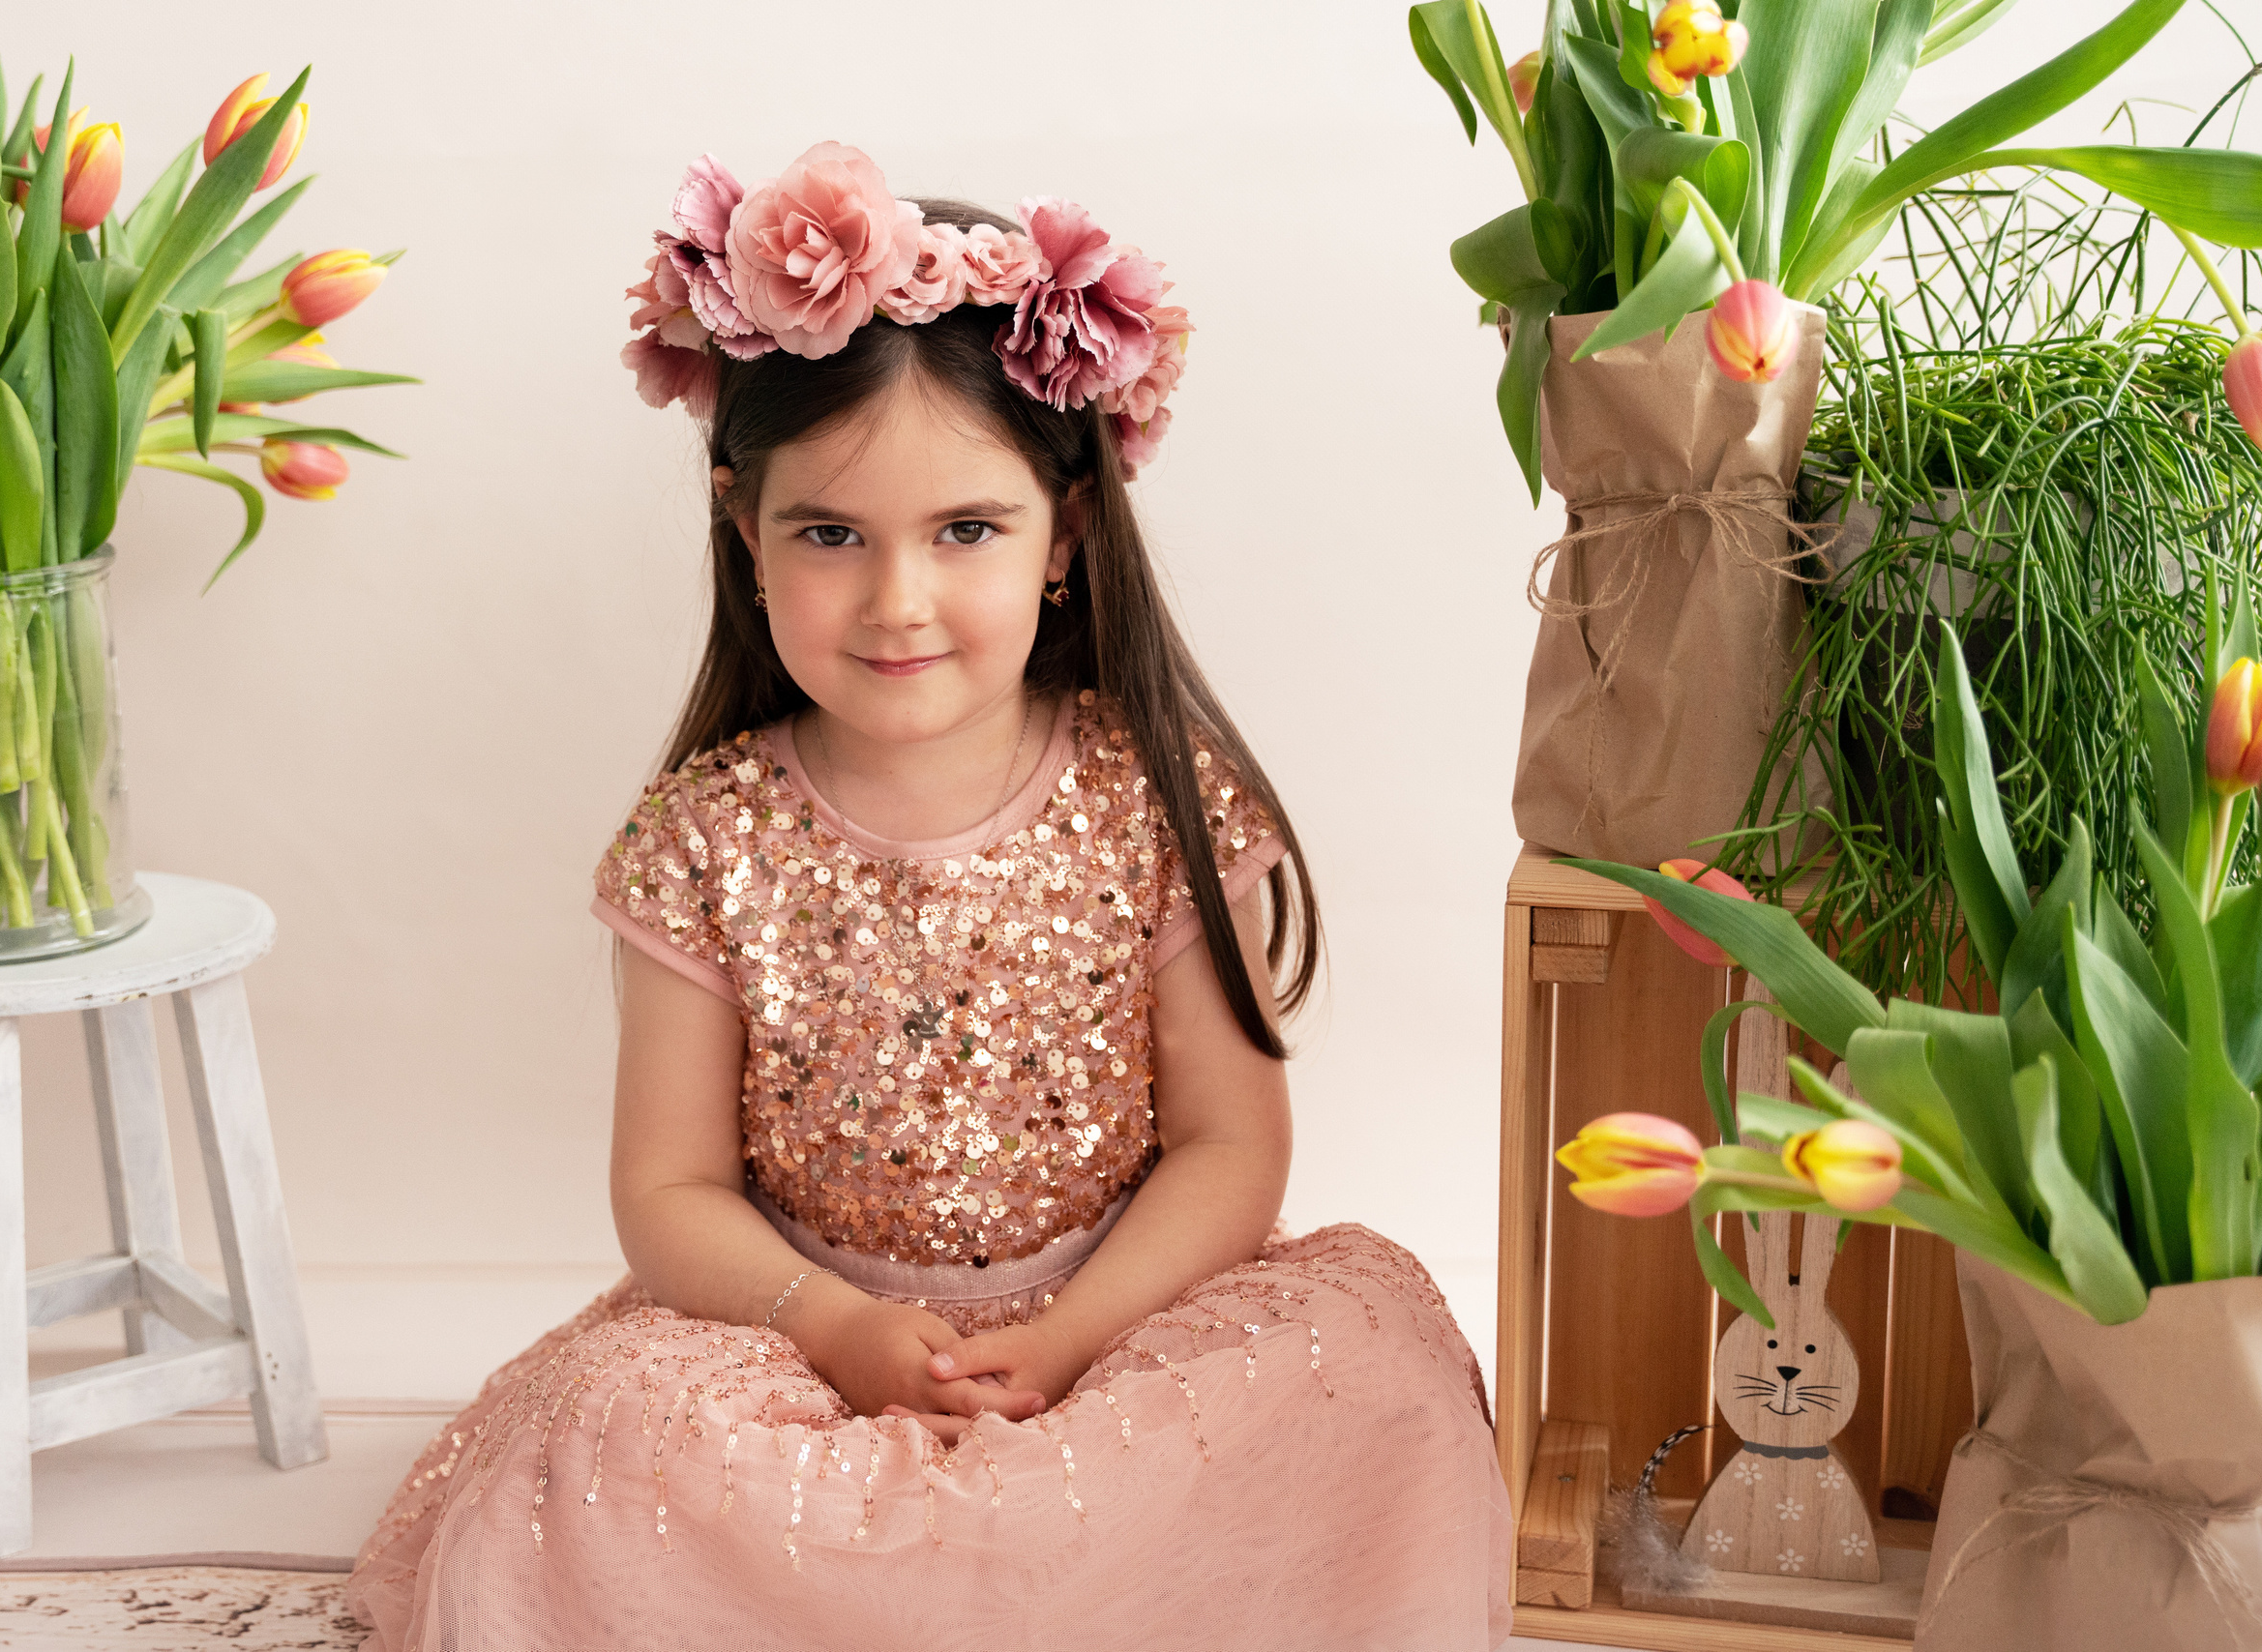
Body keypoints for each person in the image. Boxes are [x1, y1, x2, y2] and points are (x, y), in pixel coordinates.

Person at [349, 141, 1511, 1650]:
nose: (897, 600)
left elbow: (1233, 1150)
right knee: (604, 1422)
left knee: (1376, 1349)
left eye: (965, 531)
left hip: (1120, 1335)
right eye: (830, 536)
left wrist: (1064, 1345)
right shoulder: (704, 835)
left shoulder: (1154, 797)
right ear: (743, 530)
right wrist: (831, 1330)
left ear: (1063, 539)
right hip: (807, 1347)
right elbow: (669, 1193)